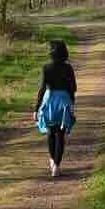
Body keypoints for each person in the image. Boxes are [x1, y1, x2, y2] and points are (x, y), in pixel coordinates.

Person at [34, 39, 76, 177]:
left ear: (51, 53)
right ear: (64, 52)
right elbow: (73, 88)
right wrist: (71, 104)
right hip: (64, 102)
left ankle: (52, 160)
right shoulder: (68, 68)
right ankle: (57, 166)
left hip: (50, 101)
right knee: (60, 134)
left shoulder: (46, 68)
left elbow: (41, 90)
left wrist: (36, 109)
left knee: (51, 132)